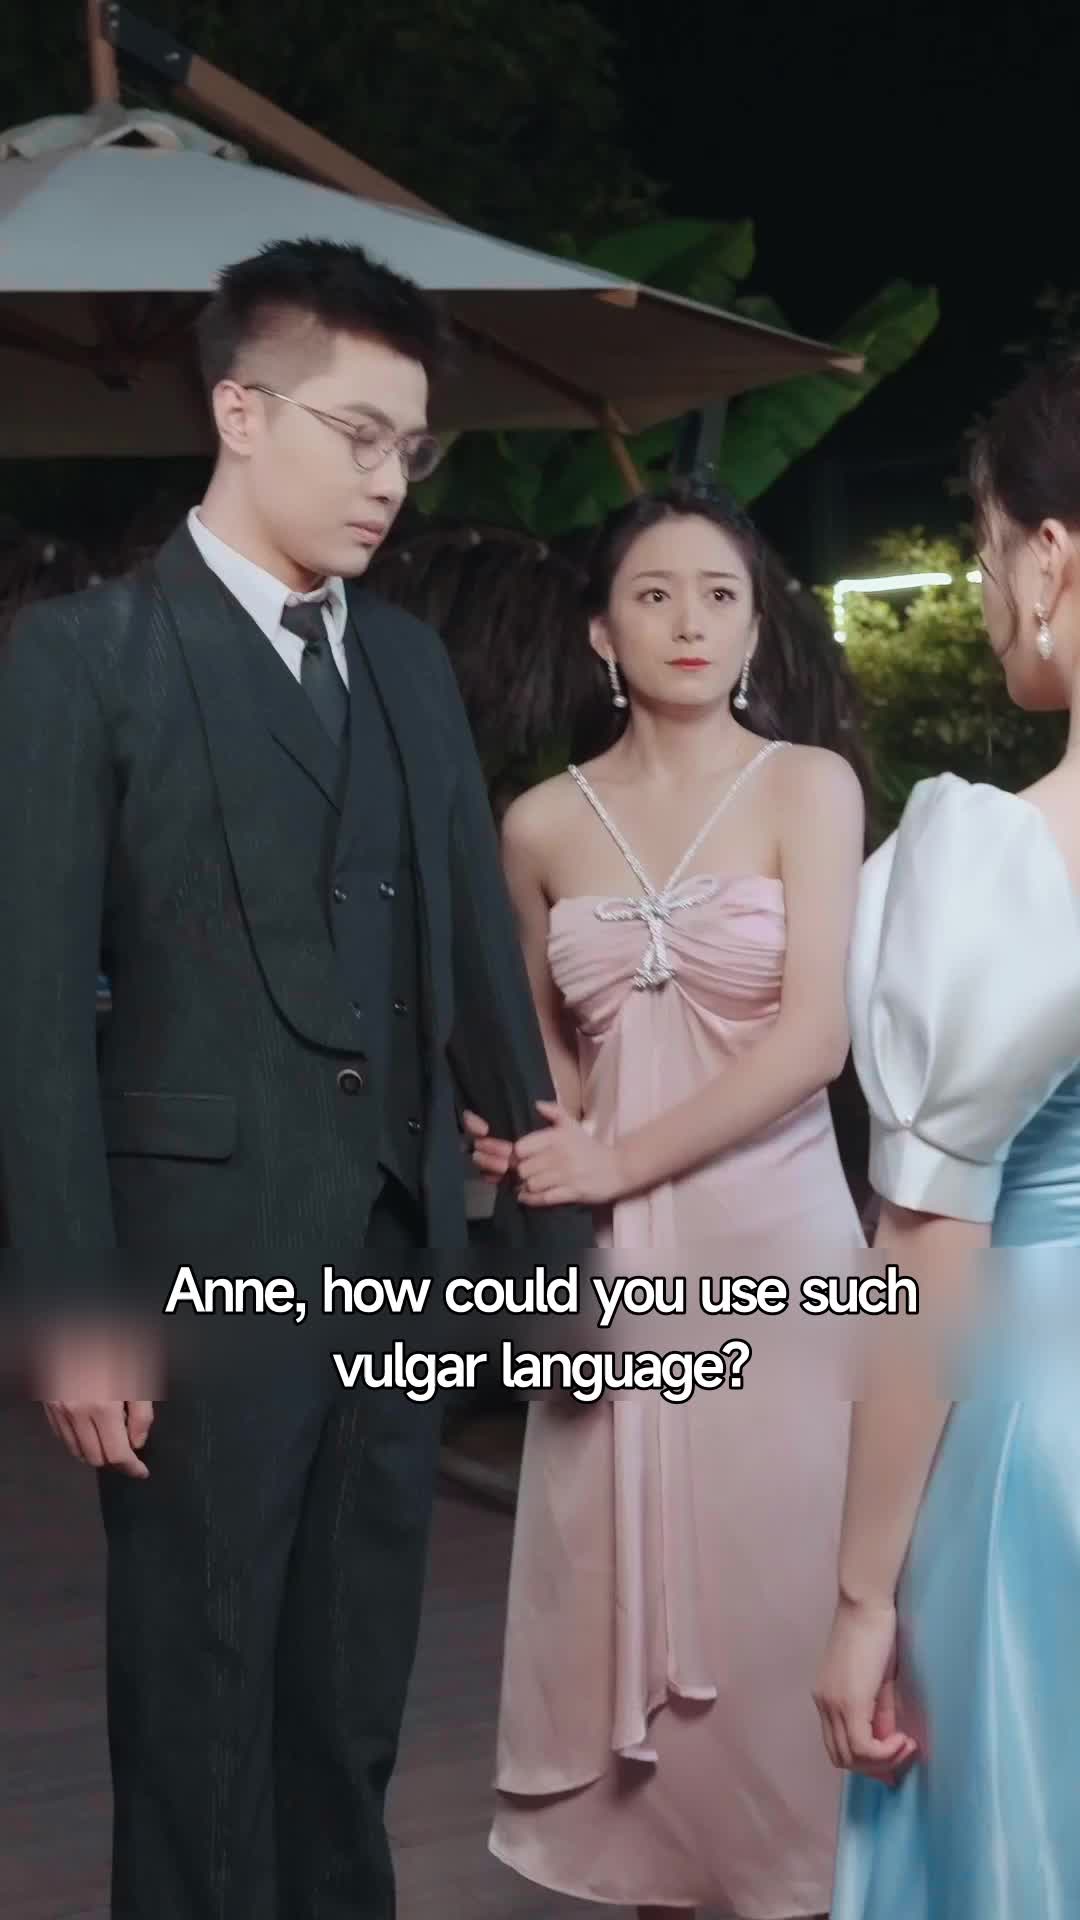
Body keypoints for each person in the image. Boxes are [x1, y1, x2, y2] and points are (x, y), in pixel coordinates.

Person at [0, 238, 587, 1920]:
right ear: (240, 411)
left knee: (349, 1711)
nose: (390, 480)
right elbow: (31, 1014)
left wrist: (553, 1252)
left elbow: (476, 966)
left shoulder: (404, 662)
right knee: (196, 1706)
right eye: (356, 434)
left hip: (399, 1258)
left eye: (412, 446)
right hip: (195, 1269)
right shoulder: (84, 656)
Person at [465, 484, 867, 1917]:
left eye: (720, 595)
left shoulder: (810, 786)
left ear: (753, 631)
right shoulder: (536, 826)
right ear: (601, 632)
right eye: (654, 594)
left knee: (783, 1609)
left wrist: (616, 1160)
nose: (689, 620)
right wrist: (521, 1149)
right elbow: (555, 1077)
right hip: (616, 1282)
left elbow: (814, 1043)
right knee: (618, 1636)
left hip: (783, 1264)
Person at [814, 351, 1080, 1919]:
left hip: (1047, 1423)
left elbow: (923, 1260)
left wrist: (862, 1598)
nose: (985, 597)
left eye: (985, 551)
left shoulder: (993, 868)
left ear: (1051, 555)